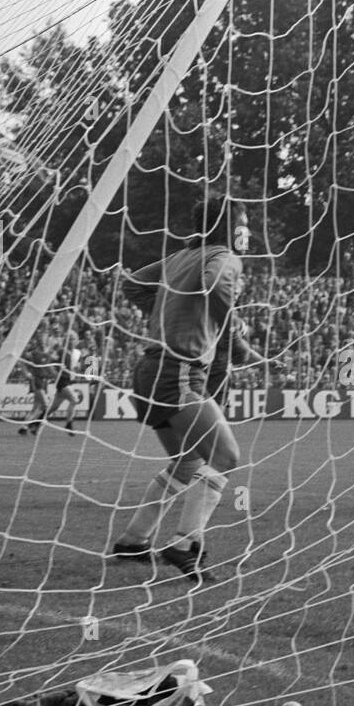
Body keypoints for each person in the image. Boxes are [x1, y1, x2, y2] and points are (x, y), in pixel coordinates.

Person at [110, 196, 247, 581]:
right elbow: (217, 283)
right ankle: (184, 544)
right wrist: (233, 338)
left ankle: (133, 541)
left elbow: (134, 283)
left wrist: (169, 305)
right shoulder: (225, 256)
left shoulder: (179, 257)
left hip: (148, 369)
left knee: (187, 463)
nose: (247, 230)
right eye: (245, 222)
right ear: (232, 226)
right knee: (226, 456)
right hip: (180, 371)